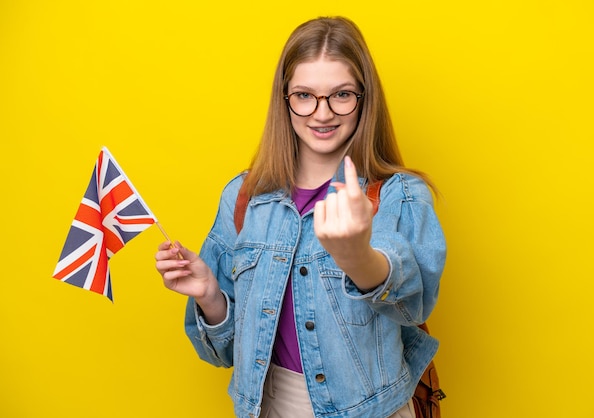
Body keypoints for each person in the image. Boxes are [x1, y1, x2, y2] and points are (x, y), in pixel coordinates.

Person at [155, 16, 446, 418]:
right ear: (284, 98)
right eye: (305, 95)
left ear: (364, 98)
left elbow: (413, 308)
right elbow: (222, 353)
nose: (322, 113)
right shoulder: (244, 198)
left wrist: (358, 257)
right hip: (270, 406)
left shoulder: (398, 195)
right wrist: (210, 298)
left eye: (341, 95)